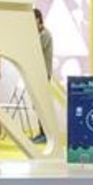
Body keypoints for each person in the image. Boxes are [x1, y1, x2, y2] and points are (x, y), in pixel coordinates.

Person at [30, 8, 53, 144]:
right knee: (38, 105)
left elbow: (35, 51)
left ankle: (45, 134)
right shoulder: (38, 34)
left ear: (38, 19)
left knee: (41, 105)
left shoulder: (44, 35)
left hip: (43, 75)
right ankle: (42, 133)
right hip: (37, 74)